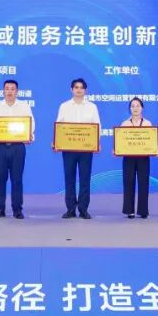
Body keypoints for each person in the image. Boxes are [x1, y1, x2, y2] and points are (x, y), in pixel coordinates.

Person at [0, 79, 34, 219]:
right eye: (7, 88)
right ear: (3, 91)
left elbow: (31, 123)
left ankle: (17, 209)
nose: (9, 91)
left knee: (17, 179)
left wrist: (29, 135)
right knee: (0, 178)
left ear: (17, 91)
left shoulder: (24, 106)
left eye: (12, 89)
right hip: (0, 147)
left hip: (18, 147)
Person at [55, 78, 101, 219]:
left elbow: (97, 126)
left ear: (85, 90)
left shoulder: (92, 107)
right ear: (72, 89)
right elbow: (59, 125)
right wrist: (56, 142)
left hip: (86, 149)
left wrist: (96, 142)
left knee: (85, 179)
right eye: (76, 87)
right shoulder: (64, 106)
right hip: (68, 149)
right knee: (69, 179)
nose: (79, 90)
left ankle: (83, 209)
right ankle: (70, 209)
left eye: (81, 87)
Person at [120, 97, 153, 219]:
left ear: (142, 108)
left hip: (143, 157)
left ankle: (143, 210)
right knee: (128, 182)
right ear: (130, 109)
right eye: (133, 106)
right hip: (128, 157)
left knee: (143, 183)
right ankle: (129, 210)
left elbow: (151, 141)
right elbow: (121, 141)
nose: (135, 108)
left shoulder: (147, 123)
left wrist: (155, 149)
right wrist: (117, 149)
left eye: (138, 105)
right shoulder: (124, 124)